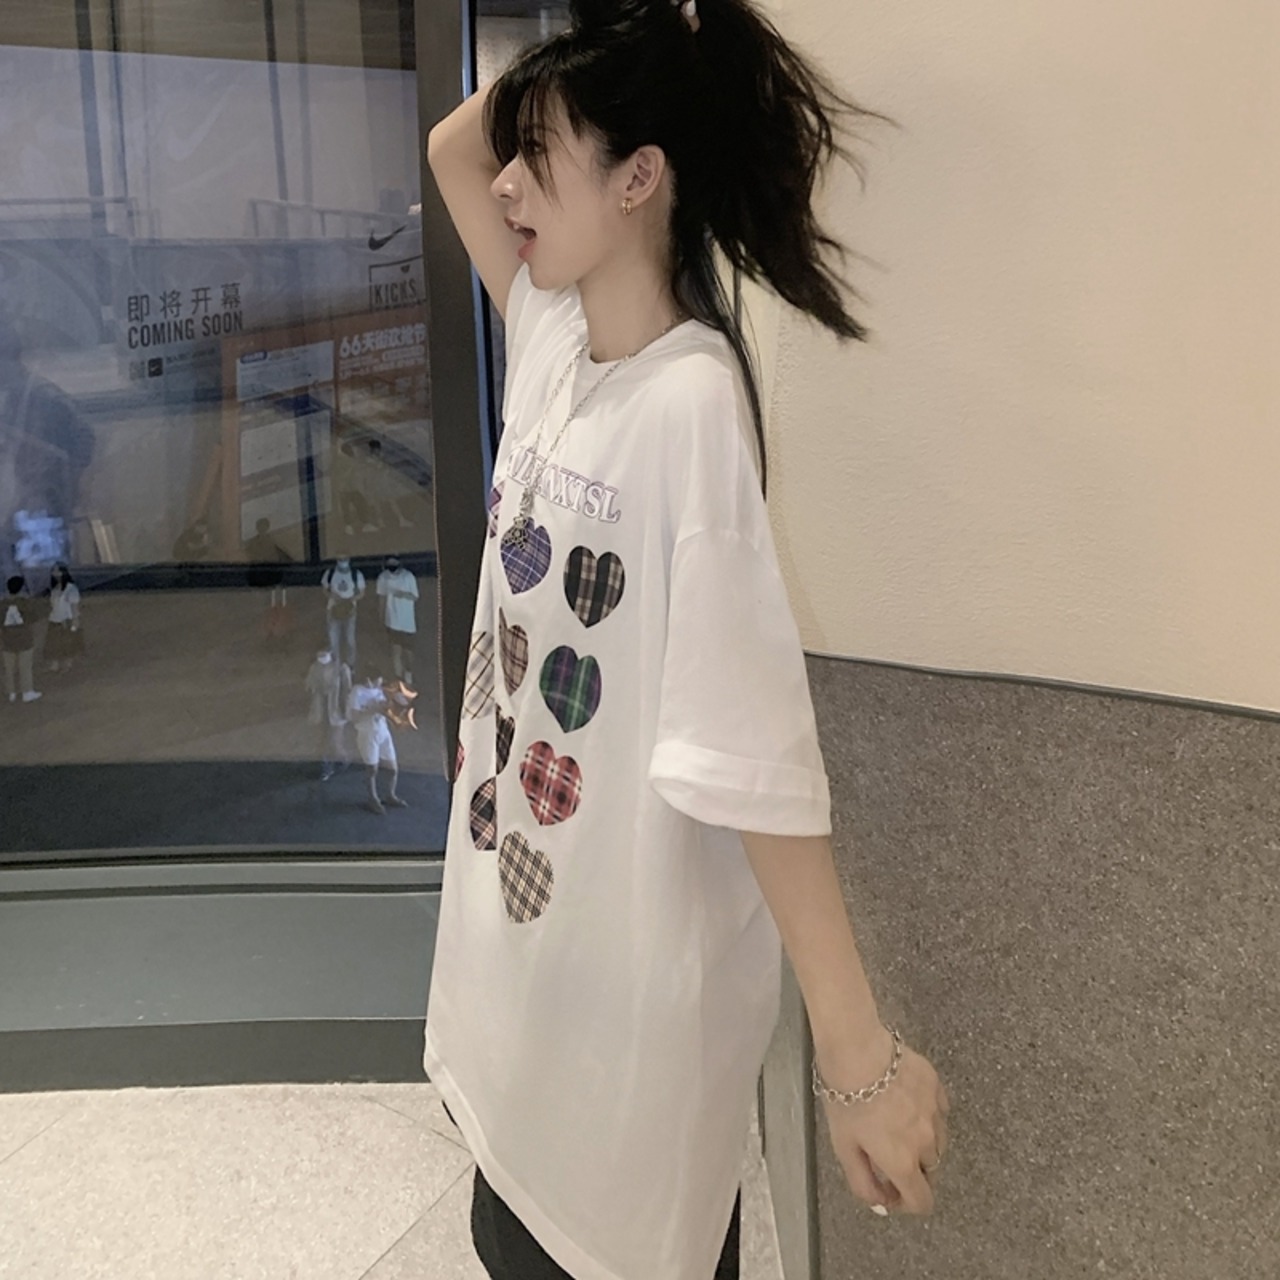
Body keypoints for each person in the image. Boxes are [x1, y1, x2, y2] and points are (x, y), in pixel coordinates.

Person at [422, 4, 947, 1279]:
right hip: (519, 977)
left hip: (622, 1026)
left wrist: (857, 1055)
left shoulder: (690, 405)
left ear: (638, 178)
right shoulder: (551, 342)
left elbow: (748, 751)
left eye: (538, 154)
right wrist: (625, 44)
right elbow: (449, 148)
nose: (504, 183)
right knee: (507, 1232)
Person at [0, 315, 94, 583]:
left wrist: (57, 487)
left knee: (42, 590)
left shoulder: (44, 399)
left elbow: (83, 442)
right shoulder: (14, 395)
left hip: (35, 522)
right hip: (14, 523)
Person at [345, 666, 408, 814]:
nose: (380, 684)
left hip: (383, 732)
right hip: (367, 734)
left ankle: (390, 795)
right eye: (378, 681)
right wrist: (373, 709)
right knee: (372, 769)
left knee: (392, 768)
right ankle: (372, 799)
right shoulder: (357, 692)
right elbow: (353, 717)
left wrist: (394, 714)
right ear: (368, 680)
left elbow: (385, 709)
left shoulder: (379, 690)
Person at [304, 647, 352, 781]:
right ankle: (326, 767)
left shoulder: (342, 669)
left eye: (324, 654)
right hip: (320, 710)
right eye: (319, 655)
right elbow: (308, 685)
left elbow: (347, 690)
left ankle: (344, 760)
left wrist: (347, 710)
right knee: (321, 741)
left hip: (337, 712)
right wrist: (316, 687)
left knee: (336, 742)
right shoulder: (314, 668)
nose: (322, 657)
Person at [244, 517, 293, 641]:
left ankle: (278, 630)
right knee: (267, 606)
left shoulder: (272, 540)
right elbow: (251, 556)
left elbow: (283, 554)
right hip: (263, 578)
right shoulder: (256, 543)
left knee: (276, 604)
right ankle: (270, 631)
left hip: (273, 576)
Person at [376, 555, 419, 686]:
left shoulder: (408, 577)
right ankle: (399, 679)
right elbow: (381, 598)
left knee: (408, 652)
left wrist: (403, 594)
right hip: (392, 620)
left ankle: (408, 673)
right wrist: (381, 617)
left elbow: (415, 596)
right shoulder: (383, 578)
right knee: (396, 650)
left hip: (407, 622)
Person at [320, 556, 365, 668]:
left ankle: (351, 666)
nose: (342, 561)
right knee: (333, 641)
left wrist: (350, 599)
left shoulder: (356, 574)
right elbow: (324, 589)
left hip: (350, 611)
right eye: (340, 559)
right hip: (333, 610)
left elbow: (362, 592)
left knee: (350, 640)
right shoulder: (330, 573)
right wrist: (333, 596)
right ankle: (335, 666)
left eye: (345, 559)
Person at [2, 574, 41, 703]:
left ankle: (11, 692)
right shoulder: (25, 603)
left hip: (7, 639)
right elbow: (33, 618)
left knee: (9, 668)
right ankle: (27, 691)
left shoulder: (2, 604)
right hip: (24, 639)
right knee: (25, 667)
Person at [43, 562, 83, 674]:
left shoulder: (71, 588)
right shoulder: (55, 588)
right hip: (54, 619)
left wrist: (75, 622)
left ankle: (67, 665)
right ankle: (54, 665)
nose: (54, 573)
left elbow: (74, 607)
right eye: (53, 570)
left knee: (67, 644)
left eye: (57, 570)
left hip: (66, 620)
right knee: (53, 644)